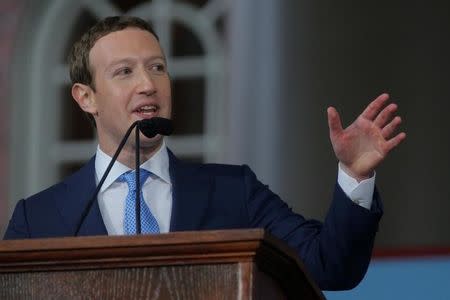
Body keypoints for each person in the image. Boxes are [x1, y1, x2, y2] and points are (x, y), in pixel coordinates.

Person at [3, 16, 405, 290]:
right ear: (86, 97)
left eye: (157, 67)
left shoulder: (235, 191)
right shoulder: (36, 220)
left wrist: (354, 176)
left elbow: (330, 266)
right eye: (125, 72)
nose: (148, 84)